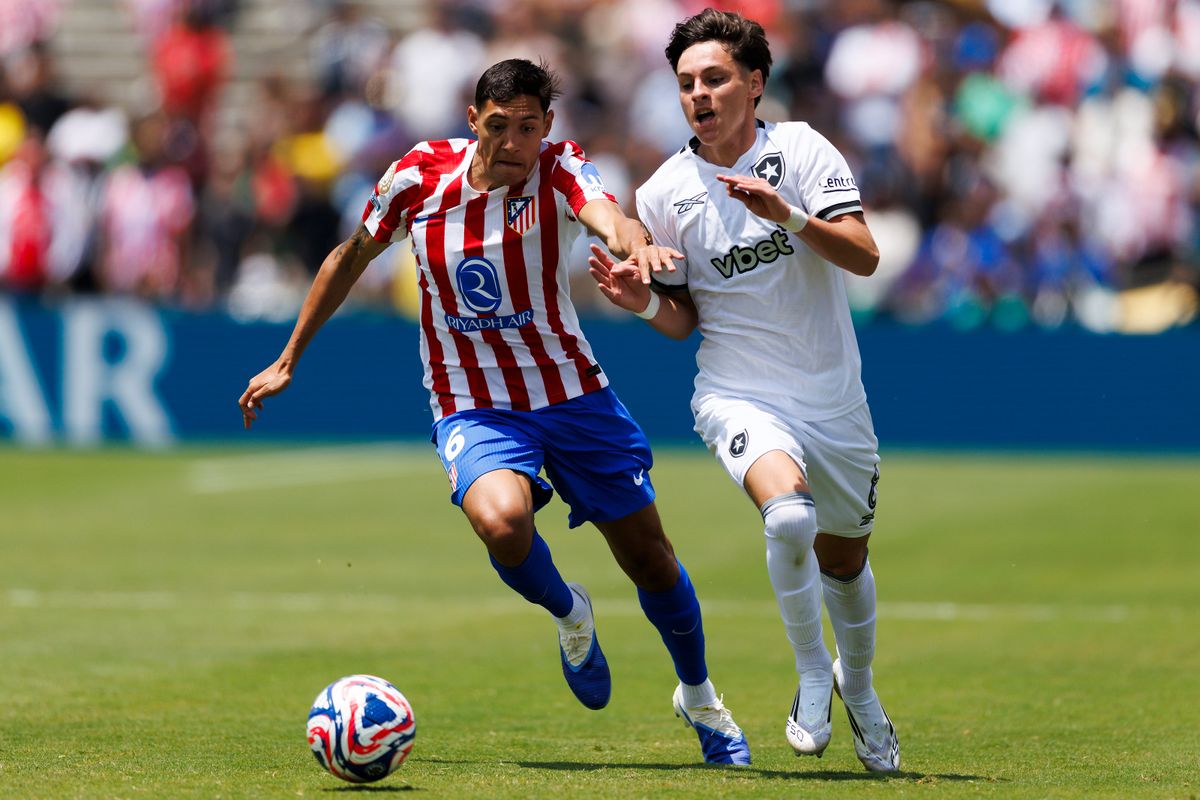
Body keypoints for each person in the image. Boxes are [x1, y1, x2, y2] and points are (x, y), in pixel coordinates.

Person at [238, 58, 750, 766]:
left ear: (548, 127)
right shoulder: (418, 176)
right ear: (473, 119)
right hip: (472, 401)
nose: (514, 142)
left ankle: (700, 697)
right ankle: (570, 612)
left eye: (529, 128)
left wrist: (637, 246)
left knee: (650, 561)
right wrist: (289, 357)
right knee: (503, 522)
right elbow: (350, 257)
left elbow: (610, 218)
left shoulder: (561, 168)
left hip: (571, 393)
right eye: (500, 125)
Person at [589, 9, 900, 773]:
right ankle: (810, 675)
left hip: (833, 398)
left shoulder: (801, 150)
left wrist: (786, 214)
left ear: (754, 83)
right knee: (788, 516)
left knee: (845, 561)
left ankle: (858, 687)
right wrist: (642, 304)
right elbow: (685, 320)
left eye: (715, 78)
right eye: (686, 83)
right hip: (737, 392)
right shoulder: (664, 192)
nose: (698, 94)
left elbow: (864, 255)